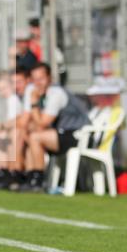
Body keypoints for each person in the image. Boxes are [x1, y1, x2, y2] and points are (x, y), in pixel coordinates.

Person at [21, 62, 90, 192]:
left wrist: (34, 103)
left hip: (77, 134)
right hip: (61, 133)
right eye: (35, 79)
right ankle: (31, 178)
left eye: (41, 79)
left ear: (49, 78)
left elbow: (43, 123)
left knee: (35, 137)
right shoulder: (37, 92)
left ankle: (38, 180)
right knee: (30, 135)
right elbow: (28, 122)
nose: (38, 83)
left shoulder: (56, 93)